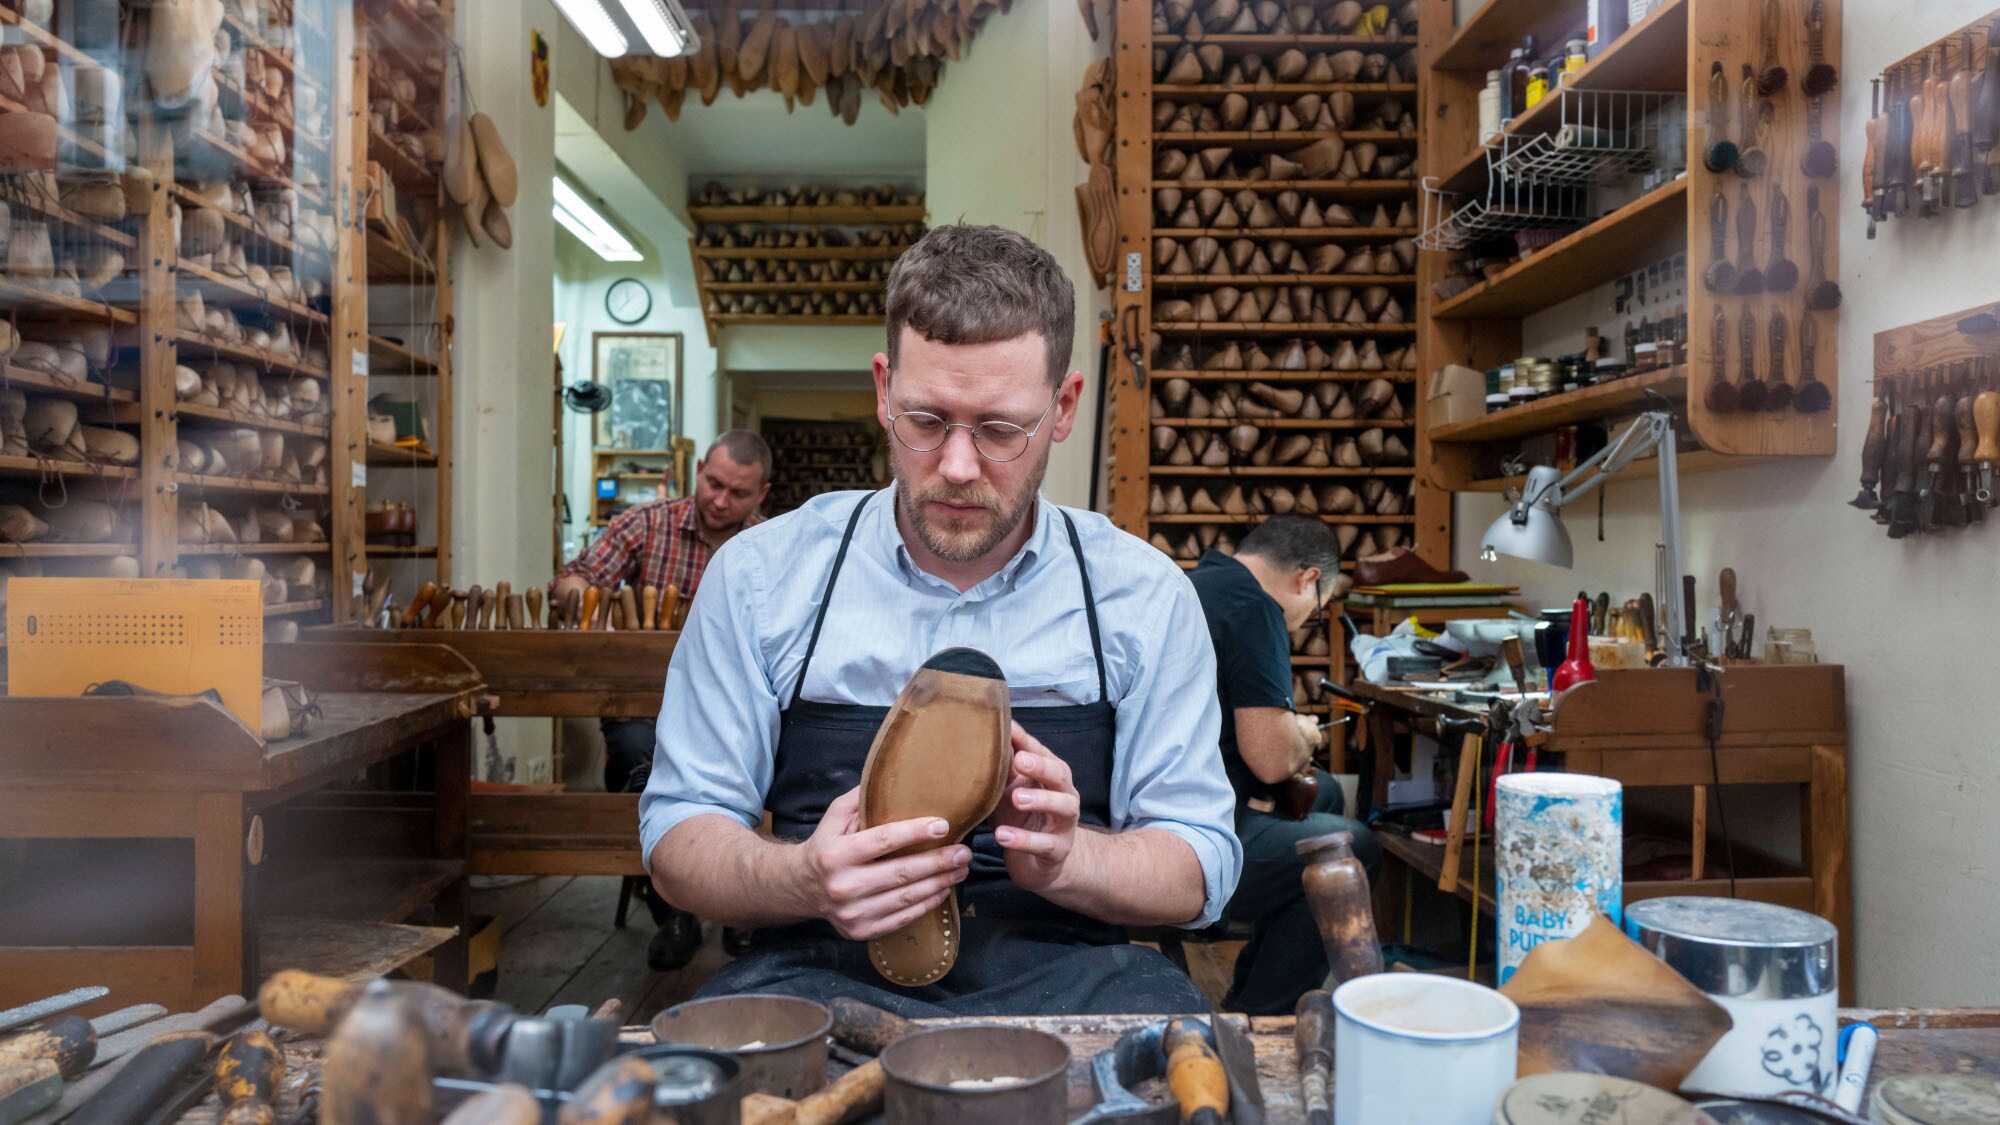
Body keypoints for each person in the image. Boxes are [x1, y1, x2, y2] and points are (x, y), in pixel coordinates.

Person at [639, 224, 1241, 1017]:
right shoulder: (761, 578)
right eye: (925, 421)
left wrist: (1071, 861)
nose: (958, 467)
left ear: (1063, 407)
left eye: (1000, 429)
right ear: (883, 389)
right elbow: (679, 833)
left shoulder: (1145, 596)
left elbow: (1200, 863)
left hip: (1075, 982)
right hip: (817, 971)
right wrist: (804, 877)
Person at [552, 429, 771, 971]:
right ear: (698, 470)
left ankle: (746, 905)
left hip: (731, 712)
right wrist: (587, 602)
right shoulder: (646, 524)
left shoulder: (769, 544)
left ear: (761, 494)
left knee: (768, 765)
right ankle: (672, 909)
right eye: (713, 483)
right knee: (640, 758)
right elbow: (574, 578)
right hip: (642, 705)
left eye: (738, 493)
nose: (720, 500)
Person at [1187, 515, 1381, 1016]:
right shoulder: (1254, 606)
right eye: (1317, 611)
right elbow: (1271, 760)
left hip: (1161, 803)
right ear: (1307, 579)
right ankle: (1264, 1015)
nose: (1305, 623)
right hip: (1187, 833)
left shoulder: (1201, 581)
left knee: (1326, 793)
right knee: (1351, 850)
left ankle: (1249, 990)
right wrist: (1305, 733)